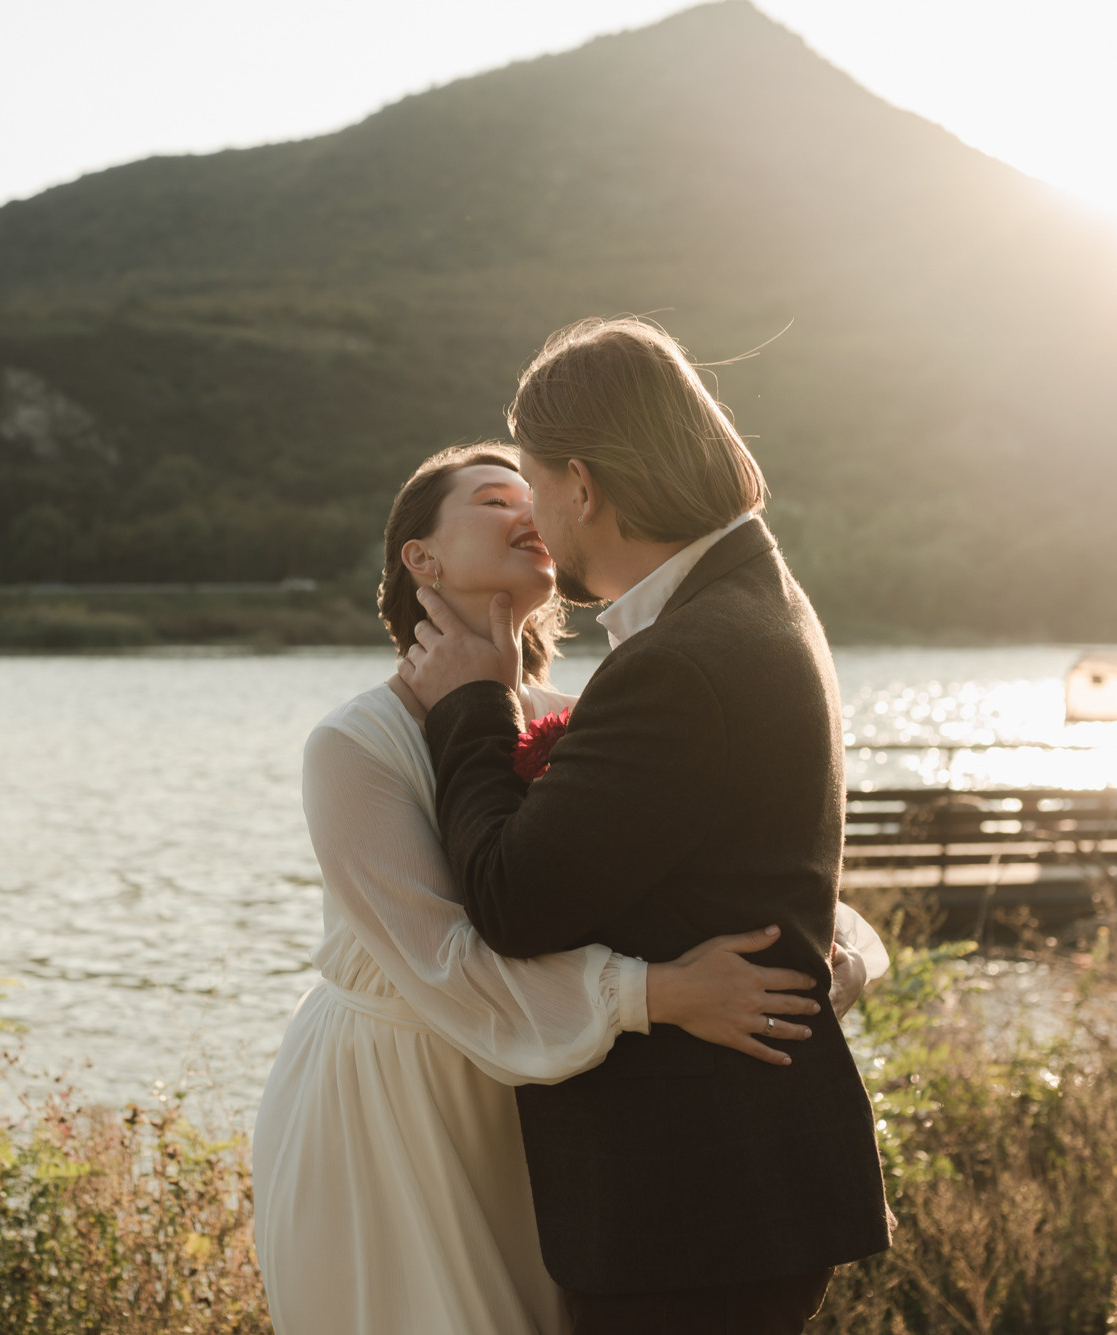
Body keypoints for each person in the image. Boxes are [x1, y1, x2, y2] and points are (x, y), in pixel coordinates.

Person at [253, 440, 890, 1334]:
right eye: (492, 498)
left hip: (555, 1100)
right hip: (401, 1100)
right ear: (420, 558)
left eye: (534, 494)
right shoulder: (352, 746)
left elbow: (681, 866)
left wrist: (827, 944)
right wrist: (658, 993)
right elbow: (443, 960)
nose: (528, 509)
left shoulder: (581, 714)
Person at [399, 318, 894, 1333]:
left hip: (690, 1203)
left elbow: (510, 898)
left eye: (535, 485)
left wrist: (473, 705)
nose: (535, 516)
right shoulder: (752, 597)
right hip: (735, 1190)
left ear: (582, 487)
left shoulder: (680, 660)